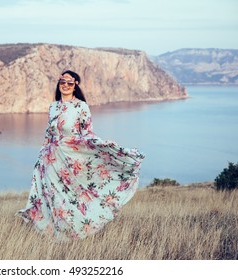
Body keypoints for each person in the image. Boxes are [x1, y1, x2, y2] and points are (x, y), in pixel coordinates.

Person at [16, 70, 145, 241]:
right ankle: (54, 233)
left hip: (70, 157)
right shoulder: (53, 106)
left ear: (75, 85)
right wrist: (42, 153)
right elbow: (49, 134)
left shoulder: (81, 107)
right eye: (63, 82)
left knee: (70, 195)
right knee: (52, 195)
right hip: (51, 158)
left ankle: (73, 231)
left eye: (70, 83)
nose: (66, 85)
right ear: (59, 83)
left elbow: (87, 133)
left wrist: (103, 145)